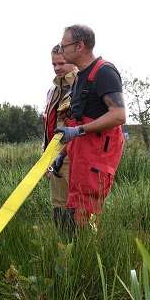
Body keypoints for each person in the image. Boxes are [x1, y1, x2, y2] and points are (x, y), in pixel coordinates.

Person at [51, 24, 126, 228]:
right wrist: (63, 153)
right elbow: (78, 121)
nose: (61, 50)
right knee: (71, 216)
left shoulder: (104, 72)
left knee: (82, 220)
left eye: (64, 45)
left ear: (80, 46)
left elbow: (118, 115)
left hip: (96, 159)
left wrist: (78, 131)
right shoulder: (78, 78)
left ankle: (89, 260)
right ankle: (72, 260)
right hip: (79, 156)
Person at [43, 46, 78, 226]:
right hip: (54, 156)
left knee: (77, 206)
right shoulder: (53, 90)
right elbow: (49, 126)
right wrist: (46, 157)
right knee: (58, 204)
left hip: (74, 155)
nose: (57, 68)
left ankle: (81, 249)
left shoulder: (81, 85)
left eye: (62, 63)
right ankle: (61, 247)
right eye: (54, 64)